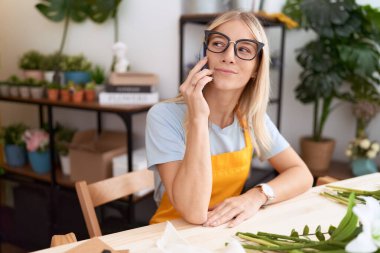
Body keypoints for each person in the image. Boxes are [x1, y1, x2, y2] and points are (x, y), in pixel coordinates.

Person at [145, 11, 313, 227]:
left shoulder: (250, 118)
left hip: (223, 232)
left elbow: (302, 174)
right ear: (205, 55)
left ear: (256, 68)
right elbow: (194, 213)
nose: (229, 56)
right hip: (168, 237)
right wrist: (198, 119)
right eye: (218, 43)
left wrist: (257, 195)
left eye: (243, 49)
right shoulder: (164, 116)